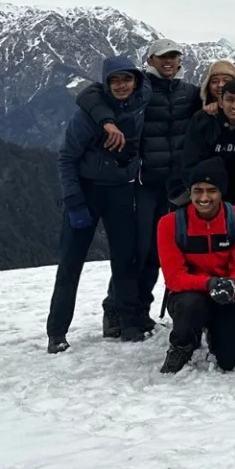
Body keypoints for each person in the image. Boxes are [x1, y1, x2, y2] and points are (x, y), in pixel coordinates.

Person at [74, 37, 198, 334]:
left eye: (173, 57)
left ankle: (140, 310)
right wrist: (107, 121)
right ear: (149, 62)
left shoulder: (190, 93)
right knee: (136, 250)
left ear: (180, 61)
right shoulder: (140, 91)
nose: (168, 62)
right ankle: (115, 309)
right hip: (143, 183)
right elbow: (90, 93)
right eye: (161, 57)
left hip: (176, 186)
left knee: (158, 253)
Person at [47, 55, 148, 352]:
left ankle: (130, 324)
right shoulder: (86, 116)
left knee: (125, 260)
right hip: (87, 191)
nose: (121, 85)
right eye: (115, 80)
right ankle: (56, 332)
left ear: (136, 82)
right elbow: (66, 158)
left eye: (127, 79)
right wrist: (75, 202)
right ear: (105, 83)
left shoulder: (142, 104)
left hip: (119, 190)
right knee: (70, 263)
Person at [156, 159, 235, 374]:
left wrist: (232, 283)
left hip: (228, 296)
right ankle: (182, 344)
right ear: (189, 192)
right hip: (190, 296)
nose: (203, 198)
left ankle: (216, 332)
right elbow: (174, 278)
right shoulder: (170, 224)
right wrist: (209, 283)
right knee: (191, 305)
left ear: (222, 192)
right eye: (197, 191)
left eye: (211, 191)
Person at [184, 78, 235, 219]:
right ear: (221, 102)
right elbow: (190, 161)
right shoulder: (203, 121)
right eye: (230, 100)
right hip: (209, 194)